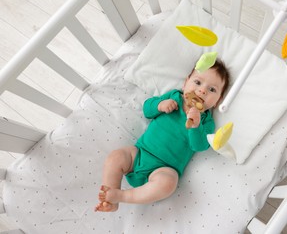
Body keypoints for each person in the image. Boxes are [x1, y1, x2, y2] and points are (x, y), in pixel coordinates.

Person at [95, 59, 231, 212]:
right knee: (116, 156)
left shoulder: (206, 122)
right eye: (198, 82)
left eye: (212, 89)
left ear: (218, 100)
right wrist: (159, 105)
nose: (202, 91)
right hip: (139, 154)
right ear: (185, 83)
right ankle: (109, 196)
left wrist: (195, 126)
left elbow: (199, 146)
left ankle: (123, 196)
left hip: (163, 169)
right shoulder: (174, 97)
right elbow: (147, 109)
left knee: (168, 184)